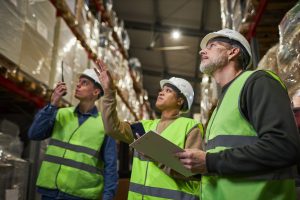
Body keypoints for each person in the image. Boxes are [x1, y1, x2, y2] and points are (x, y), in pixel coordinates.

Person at [176, 28, 300, 200]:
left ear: (233, 52)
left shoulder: (258, 82)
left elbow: (283, 146)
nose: (202, 51)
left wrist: (209, 162)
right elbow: (219, 164)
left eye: (212, 45)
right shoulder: (220, 105)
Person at [96, 63, 204, 200]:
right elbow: (112, 128)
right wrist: (109, 92)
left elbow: (192, 170)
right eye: (162, 89)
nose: (161, 92)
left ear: (180, 101)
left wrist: (154, 151)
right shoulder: (144, 126)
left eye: (168, 91)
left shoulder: (191, 127)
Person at [28, 69, 118, 200]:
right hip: (50, 192)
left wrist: (108, 197)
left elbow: (111, 166)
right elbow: (34, 134)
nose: (78, 85)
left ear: (96, 91)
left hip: (80, 196)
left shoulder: (104, 125)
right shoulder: (61, 113)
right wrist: (53, 103)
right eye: (78, 82)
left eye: (84, 83)